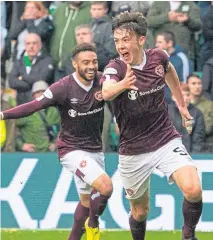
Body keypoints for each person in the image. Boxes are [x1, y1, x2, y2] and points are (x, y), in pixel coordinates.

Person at [101, 12, 202, 240]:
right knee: (140, 211)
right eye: (117, 41)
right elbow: (106, 92)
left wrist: (182, 104)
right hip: (133, 150)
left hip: (165, 138)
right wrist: (123, 85)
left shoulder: (158, 57)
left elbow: (170, 73)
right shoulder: (115, 68)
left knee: (193, 189)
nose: (120, 46)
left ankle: (188, 235)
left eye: (125, 39)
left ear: (141, 39)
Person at [1, 43, 113, 240]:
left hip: (95, 149)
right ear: (74, 64)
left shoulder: (103, 81)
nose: (91, 66)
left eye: (94, 62)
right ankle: (93, 225)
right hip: (71, 150)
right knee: (105, 187)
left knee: (86, 203)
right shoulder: (62, 87)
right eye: (85, 62)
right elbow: (33, 106)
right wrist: (3, 114)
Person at [168, 83, 205, 153]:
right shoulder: (166, 111)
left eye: (188, 95)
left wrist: (194, 156)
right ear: (173, 97)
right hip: (169, 155)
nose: (186, 98)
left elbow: (198, 138)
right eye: (181, 95)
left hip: (189, 154)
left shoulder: (197, 113)